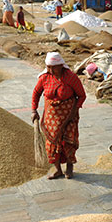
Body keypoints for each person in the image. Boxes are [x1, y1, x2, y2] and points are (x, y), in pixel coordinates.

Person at [31, 52, 86, 180]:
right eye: (48, 67)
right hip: (51, 118)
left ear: (61, 65)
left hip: (69, 116)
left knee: (68, 143)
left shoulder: (70, 77)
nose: (50, 70)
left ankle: (69, 168)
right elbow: (36, 92)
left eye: (53, 67)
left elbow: (82, 95)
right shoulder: (44, 78)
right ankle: (58, 170)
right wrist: (34, 110)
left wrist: (75, 110)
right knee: (51, 145)